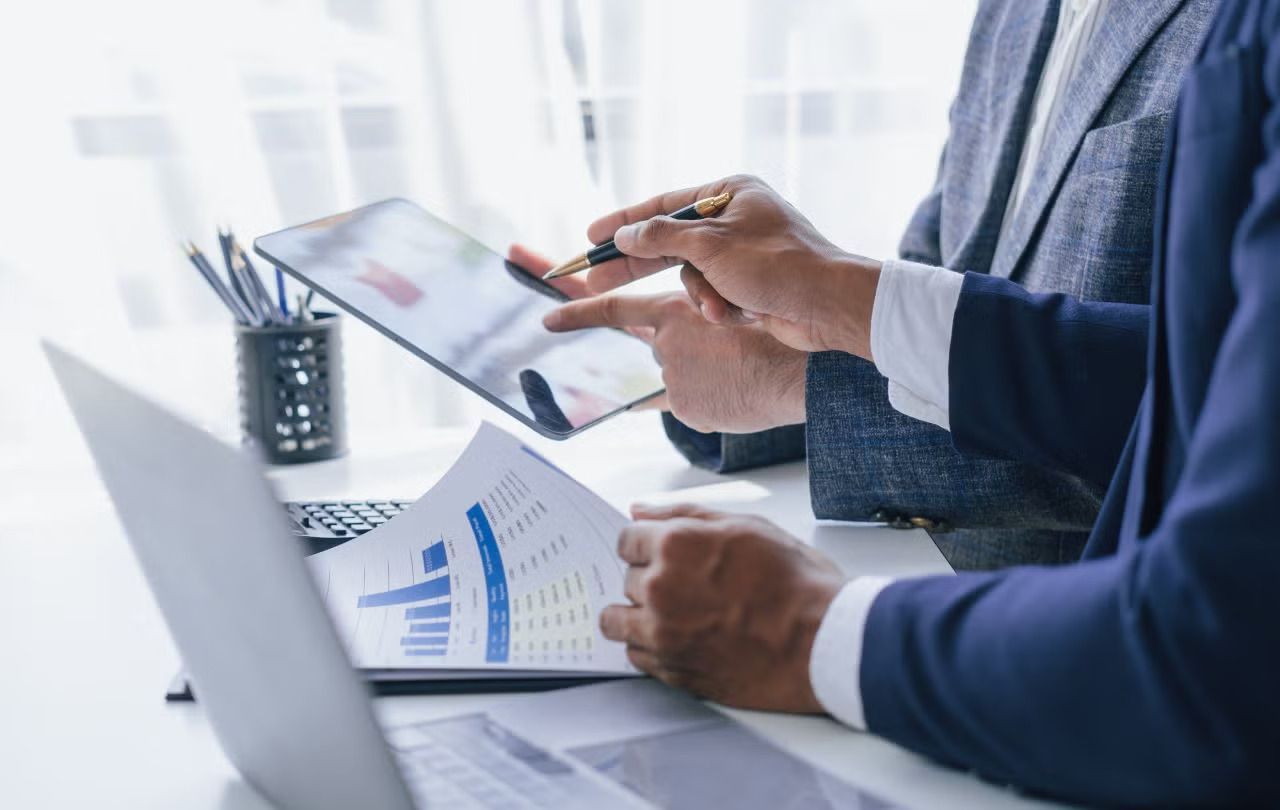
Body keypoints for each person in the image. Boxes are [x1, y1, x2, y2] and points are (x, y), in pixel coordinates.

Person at [538, 0, 1280, 802]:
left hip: (1072, 695)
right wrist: (790, 333)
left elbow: (1184, 414)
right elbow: (943, 279)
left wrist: (811, 628)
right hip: (987, 677)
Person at [512, 0, 1218, 569]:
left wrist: (799, 377)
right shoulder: (1016, 13)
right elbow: (942, 288)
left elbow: (1214, 413)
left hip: (1114, 653)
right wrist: (756, 339)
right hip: (915, 588)